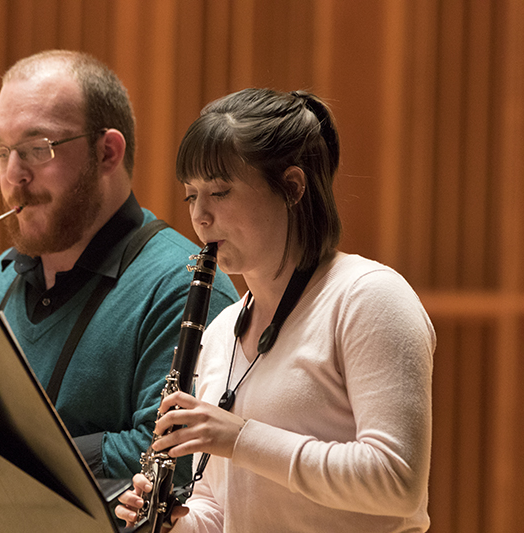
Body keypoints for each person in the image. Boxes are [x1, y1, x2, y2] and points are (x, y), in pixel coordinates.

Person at [116, 88, 436, 532]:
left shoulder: (367, 298)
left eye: (220, 191)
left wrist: (240, 437)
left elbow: (397, 481)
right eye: (192, 195)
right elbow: (222, 511)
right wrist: (175, 525)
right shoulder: (221, 332)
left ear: (292, 187)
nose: (201, 216)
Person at [0, 50, 240, 483]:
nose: (13, 175)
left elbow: (175, 457)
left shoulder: (182, 285)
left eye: (36, 149)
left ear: (107, 152)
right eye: (1, 152)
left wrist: (15, 457)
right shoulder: (1, 276)